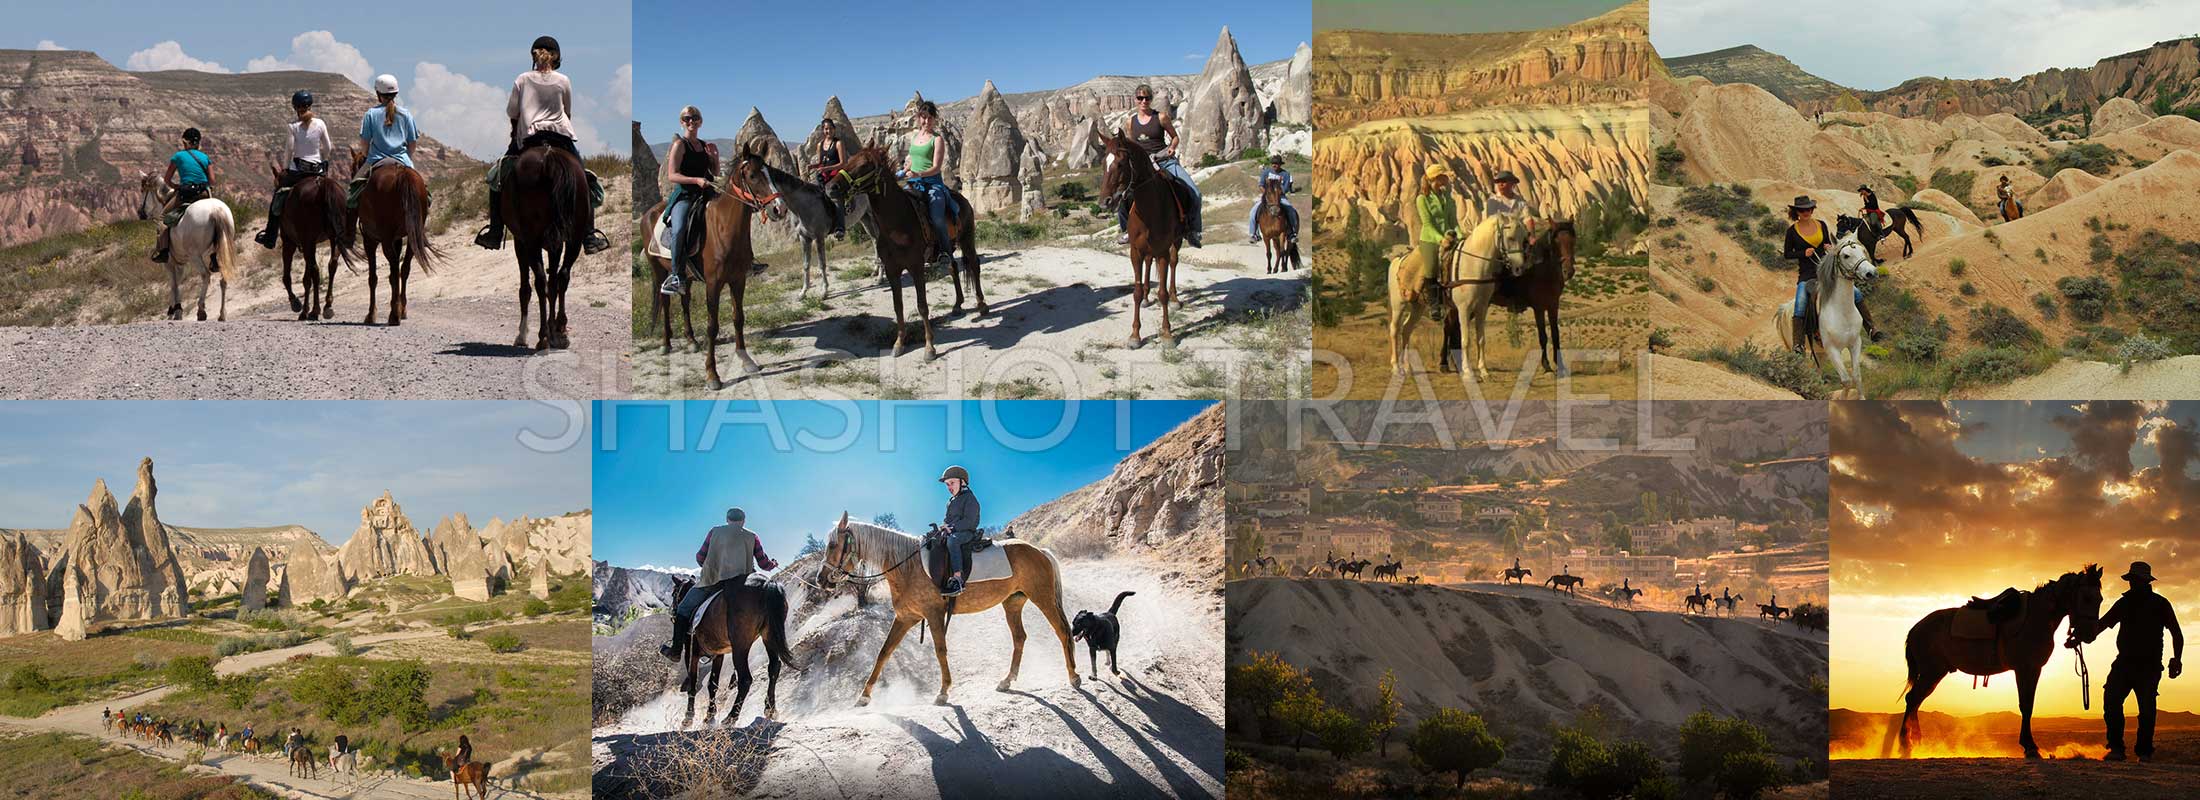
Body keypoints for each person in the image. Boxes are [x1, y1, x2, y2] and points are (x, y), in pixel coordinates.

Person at [475, 36, 610, 254]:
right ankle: (589, 235)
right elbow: (567, 112)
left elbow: (512, 112)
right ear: (557, 58)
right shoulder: (564, 80)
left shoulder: (522, 79)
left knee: (497, 176)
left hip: (530, 139)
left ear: (533, 56)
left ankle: (495, 231)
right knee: (585, 180)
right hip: (561, 138)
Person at [2090, 561, 2183, 762]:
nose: (2131, 584)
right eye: (2131, 580)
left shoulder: (2160, 604)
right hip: (2124, 662)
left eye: (2134, 580)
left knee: (2146, 709)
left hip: (2148, 665)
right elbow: (2102, 624)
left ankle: (2143, 751)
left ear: (2143, 581)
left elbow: (2177, 633)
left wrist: (2177, 659)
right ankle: (2117, 749)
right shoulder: (2125, 603)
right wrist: (2081, 636)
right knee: (2112, 701)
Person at [661, 507, 778, 660]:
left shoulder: (714, 532)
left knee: (683, 608)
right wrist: (773, 564)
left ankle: (676, 651)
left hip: (714, 581)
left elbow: (700, 557)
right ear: (743, 521)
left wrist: (714, 566)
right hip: (744, 581)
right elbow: (763, 563)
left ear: (727, 520)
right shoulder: (752, 536)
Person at [1782, 196, 1877, 350]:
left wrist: (1830, 249)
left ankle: (1872, 329)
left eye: (1808, 209)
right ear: (1796, 212)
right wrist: (1802, 253)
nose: (1806, 212)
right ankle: (1798, 344)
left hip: (1828, 272)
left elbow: (1828, 244)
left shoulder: (1821, 225)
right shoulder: (1791, 232)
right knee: (1800, 305)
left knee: (1857, 293)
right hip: (1807, 275)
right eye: (1802, 210)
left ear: (1812, 210)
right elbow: (1787, 254)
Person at [1114, 84, 1203, 248]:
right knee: (1122, 195)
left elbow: (1175, 137)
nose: (1143, 101)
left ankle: (1193, 229)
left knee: (1195, 193)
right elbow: (1132, 145)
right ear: (1135, 100)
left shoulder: (1160, 117)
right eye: (1140, 98)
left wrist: (1171, 148)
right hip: (1141, 165)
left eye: (1147, 98)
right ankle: (1127, 229)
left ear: (1151, 99)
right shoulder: (1130, 122)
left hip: (1163, 160)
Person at [255, 91, 332, 248]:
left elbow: (289, 150)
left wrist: (285, 168)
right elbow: (328, 147)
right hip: (317, 170)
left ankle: (270, 236)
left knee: (277, 199)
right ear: (310, 105)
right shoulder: (321, 123)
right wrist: (323, 160)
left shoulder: (293, 127)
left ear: (295, 108)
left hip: (298, 172)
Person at [658, 106, 720, 296]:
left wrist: (714, 158)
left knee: (734, 214)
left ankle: (746, 260)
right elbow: (672, 175)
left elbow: (715, 173)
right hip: (685, 195)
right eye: (687, 119)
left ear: (700, 121)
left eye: (694, 118)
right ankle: (677, 275)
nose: (691, 121)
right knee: (679, 228)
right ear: (682, 122)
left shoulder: (704, 145)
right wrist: (696, 180)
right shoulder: (680, 145)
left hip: (706, 193)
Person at [351, 74, 419, 209]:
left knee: (352, 191)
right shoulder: (406, 114)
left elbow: (364, 145)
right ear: (396, 93)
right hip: (402, 160)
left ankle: (350, 225)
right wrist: (407, 158)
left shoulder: (370, 114)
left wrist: (366, 155)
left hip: (375, 160)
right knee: (423, 190)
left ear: (378, 93)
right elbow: (412, 144)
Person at [902, 100, 956, 269]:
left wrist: (919, 174)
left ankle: (945, 251)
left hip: (932, 185)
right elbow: (913, 160)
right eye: (923, 117)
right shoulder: (916, 137)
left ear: (934, 119)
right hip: (913, 184)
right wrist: (903, 170)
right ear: (919, 118)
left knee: (937, 218)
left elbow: (936, 167)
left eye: (929, 118)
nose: (926, 121)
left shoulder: (937, 139)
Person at [152, 128, 215, 263]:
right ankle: (215, 254)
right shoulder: (205, 158)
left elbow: (167, 179)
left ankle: (163, 252)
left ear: (185, 142)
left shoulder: (178, 156)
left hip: (185, 194)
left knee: (162, 219)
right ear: (198, 143)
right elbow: (212, 180)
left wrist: (175, 186)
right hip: (203, 193)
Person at [1414, 164, 1459, 318]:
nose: (1447, 178)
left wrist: (1460, 235)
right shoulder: (1422, 199)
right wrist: (1441, 239)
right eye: (1444, 176)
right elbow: (1427, 224)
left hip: (1448, 236)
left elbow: (1453, 221)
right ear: (1436, 178)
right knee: (1432, 267)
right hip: (1430, 239)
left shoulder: (1447, 197)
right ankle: (1434, 305)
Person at [939, 466, 981, 596]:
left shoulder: (970, 499)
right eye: (947, 484)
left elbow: (970, 521)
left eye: (952, 483)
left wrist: (952, 528)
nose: (949, 487)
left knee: (953, 541)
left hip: (966, 532)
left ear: (962, 482)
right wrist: (944, 527)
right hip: (953, 531)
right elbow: (947, 519)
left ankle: (958, 579)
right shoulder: (950, 501)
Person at [1246, 154, 1297, 245]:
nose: (1274, 165)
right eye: (1273, 163)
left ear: (1280, 164)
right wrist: (1267, 194)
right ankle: (1254, 234)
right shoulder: (1266, 172)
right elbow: (1261, 185)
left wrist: (1276, 193)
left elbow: (1285, 189)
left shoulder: (1285, 174)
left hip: (1280, 197)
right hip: (1267, 197)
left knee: (1291, 210)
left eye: (1276, 163)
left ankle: (1292, 233)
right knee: (1253, 212)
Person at [811, 118, 847, 238]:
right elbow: (821, 162)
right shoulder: (820, 145)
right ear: (823, 130)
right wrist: (813, 166)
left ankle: (840, 227)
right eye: (826, 129)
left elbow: (843, 163)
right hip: (824, 175)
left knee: (833, 193)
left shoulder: (838, 143)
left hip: (836, 174)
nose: (828, 131)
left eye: (830, 128)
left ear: (834, 129)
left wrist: (827, 169)